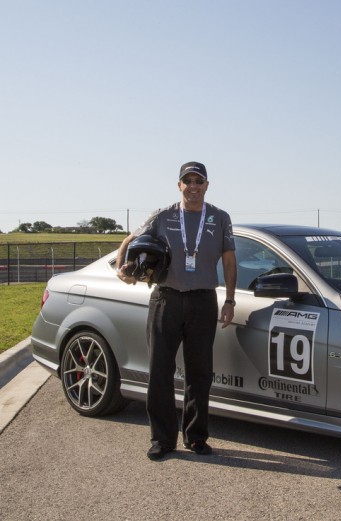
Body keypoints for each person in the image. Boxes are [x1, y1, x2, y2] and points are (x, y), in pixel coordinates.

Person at [116, 161, 237, 461]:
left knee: (199, 372)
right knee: (160, 370)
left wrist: (230, 301)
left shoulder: (220, 218)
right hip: (166, 300)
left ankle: (195, 437)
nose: (193, 187)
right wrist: (122, 267)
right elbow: (129, 240)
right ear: (179, 185)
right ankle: (162, 439)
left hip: (202, 301)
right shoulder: (162, 215)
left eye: (199, 181)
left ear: (207, 185)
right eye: (188, 181)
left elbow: (230, 260)